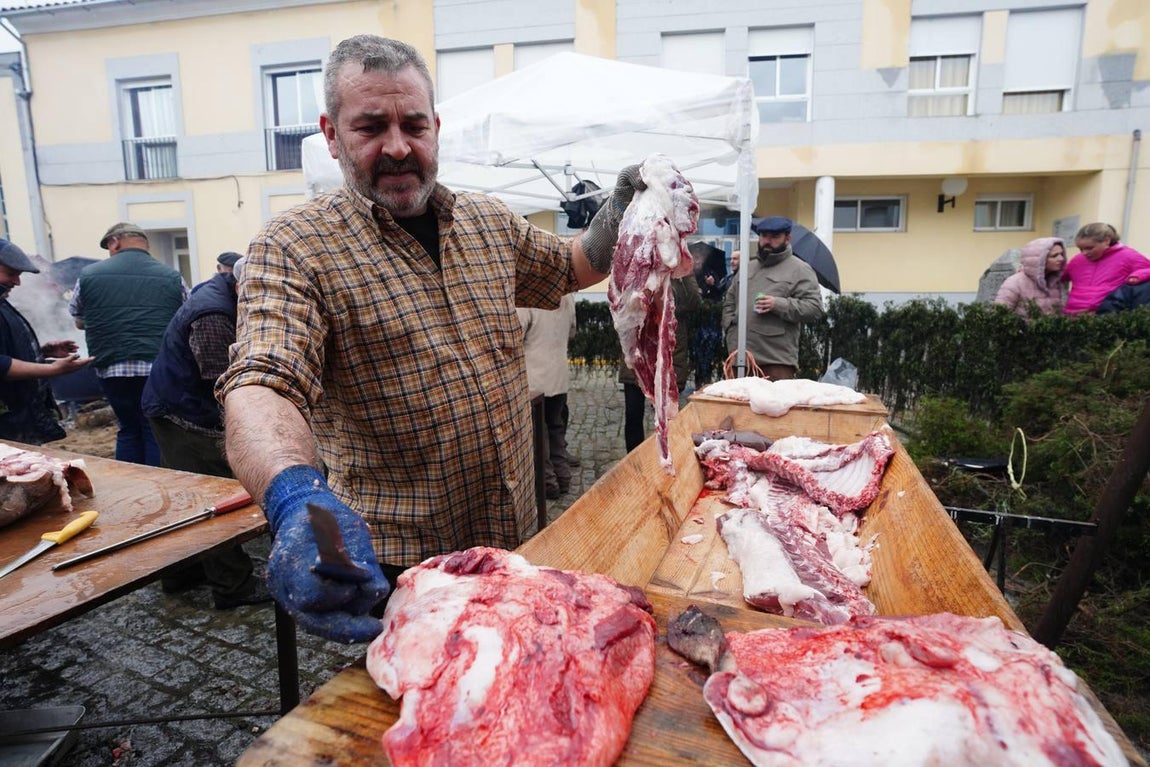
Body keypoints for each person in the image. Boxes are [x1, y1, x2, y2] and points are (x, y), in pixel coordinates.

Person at [216, 34, 643, 643]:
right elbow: (263, 382)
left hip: (515, 533)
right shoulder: (292, 248)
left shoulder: (488, 222)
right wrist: (294, 498)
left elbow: (571, 266)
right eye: (370, 127)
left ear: (435, 128)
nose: (397, 147)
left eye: (413, 125)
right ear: (332, 134)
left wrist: (620, 213)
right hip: (401, 565)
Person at [141, 258, 271, 609]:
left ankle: (182, 572)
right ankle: (234, 586)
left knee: (186, 497)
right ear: (243, 285)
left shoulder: (223, 294)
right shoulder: (213, 313)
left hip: (176, 403)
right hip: (184, 413)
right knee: (213, 500)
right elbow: (223, 383)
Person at [69, 223, 186, 465]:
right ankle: (155, 487)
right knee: (152, 428)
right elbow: (185, 318)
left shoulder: (89, 275)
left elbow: (79, 320)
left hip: (111, 366)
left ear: (115, 242)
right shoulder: (172, 277)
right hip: (157, 367)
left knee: (128, 428)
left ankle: (131, 481)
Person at [0, 238, 94, 444]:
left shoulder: (3, 304)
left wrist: (41, 353)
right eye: (11, 274)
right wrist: (52, 369)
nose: (17, 282)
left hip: (18, 416)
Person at [722, 217, 823, 380]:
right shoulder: (748, 267)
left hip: (775, 362)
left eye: (775, 237)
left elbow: (814, 308)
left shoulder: (800, 269)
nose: (768, 241)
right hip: (739, 358)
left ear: (787, 238)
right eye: (764, 236)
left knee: (772, 406)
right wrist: (729, 327)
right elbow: (730, 301)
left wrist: (778, 304)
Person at [619, 275, 701, 452]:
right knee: (633, 415)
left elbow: (693, 302)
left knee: (668, 416)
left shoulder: (678, 272)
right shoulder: (636, 268)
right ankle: (636, 462)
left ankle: (668, 459)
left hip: (668, 357)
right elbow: (621, 305)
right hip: (637, 356)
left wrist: (685, 271)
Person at [516, 293, 576, 500]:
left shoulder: (527, 295)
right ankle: (563, 477)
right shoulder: (567, 296)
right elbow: (572, 331)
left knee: (538, 435)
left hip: (535, 380)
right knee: (556, 429)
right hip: (558, 376)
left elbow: (515, 333)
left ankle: (548, 483)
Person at [1063, 222, 1150, 314]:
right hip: (1071, 315)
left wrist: (1138, 275)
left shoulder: (1128, 256)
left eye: (1089, 248)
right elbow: (1057, 276)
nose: (1084, 253)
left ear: (1107, 241)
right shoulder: (1078, 259)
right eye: (1081, 249)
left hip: (1103, 316)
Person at [993, 237, 1067, 317]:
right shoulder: (1015, 282)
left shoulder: (1057, 283)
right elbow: (999, 315)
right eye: (1054, 256)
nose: (1061, 259)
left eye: (1062, 254)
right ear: (1040, 260)